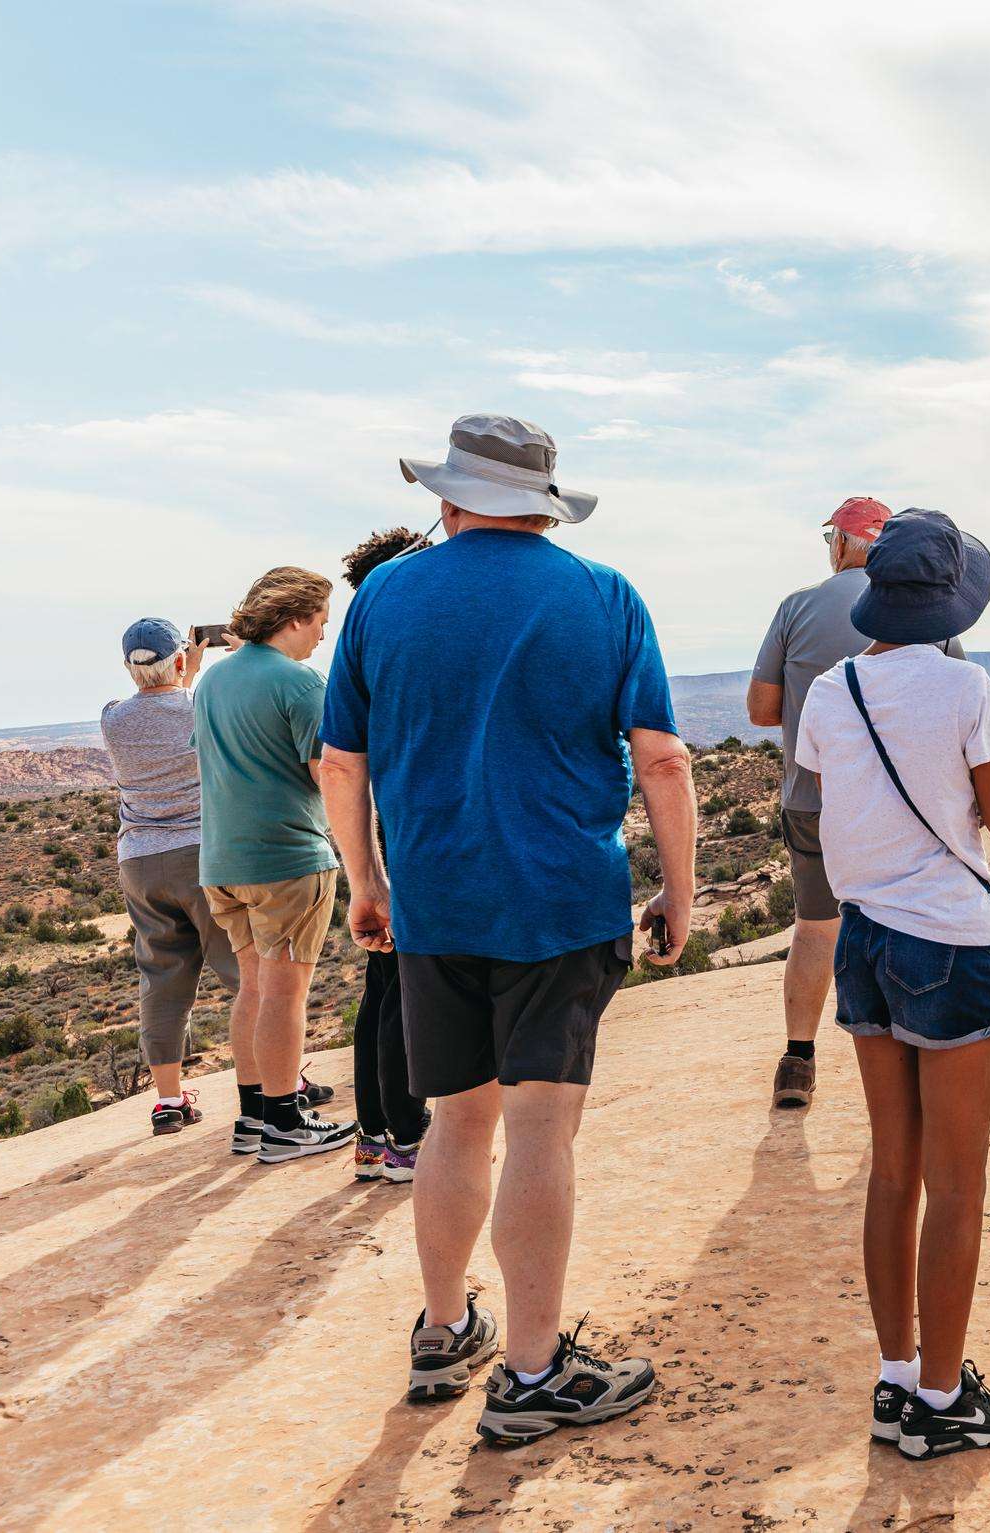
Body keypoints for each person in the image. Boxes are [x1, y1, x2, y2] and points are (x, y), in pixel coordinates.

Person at [319, 414, 695, 1448]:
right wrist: (679, 886)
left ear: (450, 497)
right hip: (562, 898)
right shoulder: (604, 595)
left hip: (436, 900)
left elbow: (341, 762)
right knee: (538, 1126)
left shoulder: (384, 594)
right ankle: (533, 1373)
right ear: (543, 506)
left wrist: (367, 882)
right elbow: (662, 758)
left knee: (456, 1119)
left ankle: (443, 1331)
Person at [793, 509, 990, 1461]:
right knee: (957, 1181)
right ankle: (942, 1397)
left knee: (892, 1170)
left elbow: (830, 798)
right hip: (948, 942)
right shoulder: (965, 684)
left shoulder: (832, 688)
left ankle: (897, 1380)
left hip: (861, 938)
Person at [747, 496, 966, 1110]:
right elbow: (955, 703)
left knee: (815, 927)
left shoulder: (796, 607)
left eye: (830, 540)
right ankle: (912, 1054)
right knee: (906, 922)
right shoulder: (934, 614)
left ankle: (798, 1061)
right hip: (905, 802)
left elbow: (761, 710)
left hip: (813, 797)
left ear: (842, 544)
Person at [195, 567, 353, 1161]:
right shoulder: (301, 682)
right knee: (286, 994)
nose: (323, 634)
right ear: (294, 618)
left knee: (254, 989)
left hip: (222, 860)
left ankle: (254, 1115)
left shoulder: (213, 679)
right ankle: (286, 1121)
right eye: (320, 621)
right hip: (287, 859)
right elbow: (329, 775)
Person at [99, 618, 244, 1136]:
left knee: (161, 977)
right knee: (243, 971)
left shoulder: (112, 718)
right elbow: (189, 712)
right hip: (203, 854)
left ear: (127, 667)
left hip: (139, 862)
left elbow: (155, 706)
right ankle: (279, 1084)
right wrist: (203, 671)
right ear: (181, 659)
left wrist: (182, 674)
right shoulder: (200, 703)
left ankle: (167, 1101)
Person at [337, 528, 436, 1182]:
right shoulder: (409, 640)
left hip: (385, 827)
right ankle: (406, 1135)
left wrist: (363, 872)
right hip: (415, 830)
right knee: (403, 986)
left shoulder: (364, 641)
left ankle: (373, 1135)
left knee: (381, 987)